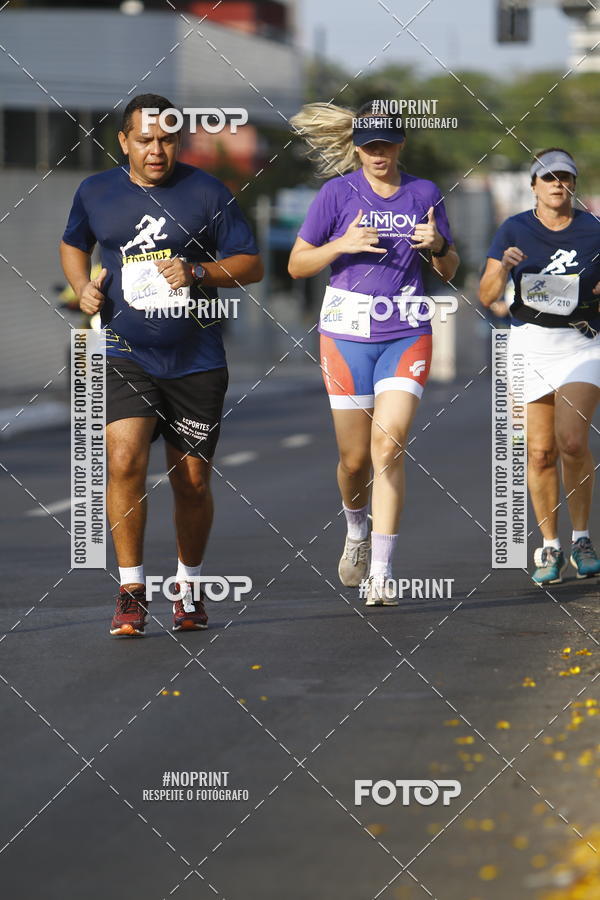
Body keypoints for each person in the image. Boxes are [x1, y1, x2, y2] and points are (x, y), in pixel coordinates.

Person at [60, 93, 263, 636]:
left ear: (179, 141)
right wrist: (82, 289)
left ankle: (189, 586)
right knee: (124, 460)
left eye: (167, 139)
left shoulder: (206, 191)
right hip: (125, 351)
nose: (156, 150)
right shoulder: (95, 191)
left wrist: (197, 273)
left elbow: (252, 263)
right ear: (123, 141)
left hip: (196, 359)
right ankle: (130, 589)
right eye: (145, 139)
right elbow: (72, 244)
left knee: (191, 480)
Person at [288, 101, 459, 605]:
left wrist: (437, 245)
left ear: (400, 144)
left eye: (387, 145)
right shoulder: (335, 194)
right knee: (354, 458)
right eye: (370, 147)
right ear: (358, 149)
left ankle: (382, 572)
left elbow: (449, 269)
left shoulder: (424, 192)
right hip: (345, 335)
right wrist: (340, 245)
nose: (378, 154)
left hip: (406, 330)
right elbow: (298, 264)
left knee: (389, 448)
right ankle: (356, 529)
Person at [480, 147, 600, 584]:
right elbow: (486, 294)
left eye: (564, 177)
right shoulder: (513, 229)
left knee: (571, 441)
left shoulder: (594, 230)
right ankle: (550, 544)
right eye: (548, 178)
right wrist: (505, 267)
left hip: (582, 342)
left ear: (574, 183)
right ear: (533, 186)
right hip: (529, 343)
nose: (557, 184)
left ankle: (582, 538)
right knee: (540, 451)